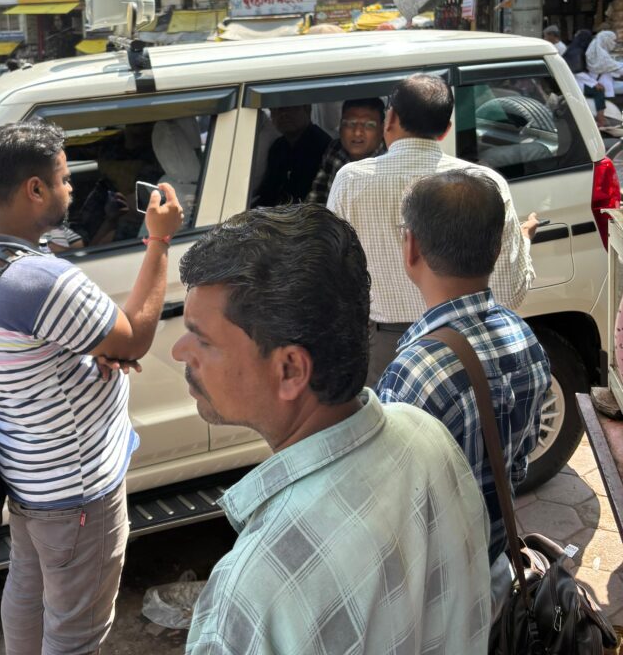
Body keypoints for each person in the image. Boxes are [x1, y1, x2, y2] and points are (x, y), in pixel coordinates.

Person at [173, 205, 491, 655]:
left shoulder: (251, 594)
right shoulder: (426, 437)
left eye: (201, 339)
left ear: (290, 369)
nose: (179, 351)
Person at [0, 122, 183, 655]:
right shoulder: (43, 280)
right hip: (76, 492)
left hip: (25, 472)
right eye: (63, 179)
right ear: (34, 189)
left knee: (27, 589)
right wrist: (159, 239)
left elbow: (30, 345)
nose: (71, 189)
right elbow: (136, 337)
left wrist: (96, 346)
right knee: (76, 632)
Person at [377, 172, 550, 580]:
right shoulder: (523, 336)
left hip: (436, 584)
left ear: (412, 248)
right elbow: (519, 463)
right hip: (495, 558)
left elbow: (390, 508)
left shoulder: (412, 373)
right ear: (496, 251)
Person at [328, 74, 538, 387]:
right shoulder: (486, 183)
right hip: (468, 343)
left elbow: (334, 275)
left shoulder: (350, 181)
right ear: (446, 130)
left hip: (385, 347)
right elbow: (509, 294)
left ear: (391, 119)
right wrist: (523, 241)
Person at [306, 97, 385, 203]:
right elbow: (317, 196)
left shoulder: (390, 160)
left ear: (382, 130)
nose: (357, 132)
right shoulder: (335, 149)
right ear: (340, 127)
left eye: (368, 125)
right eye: (350, 124)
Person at [253, 105, 330, 206]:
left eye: (289, 107)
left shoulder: (322, 146)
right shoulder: (278, 147)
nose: (283, 114)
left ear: (307, 109)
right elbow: (268, 190)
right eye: (276, 109)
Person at [585, 30, 620, 124]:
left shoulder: (596, 50)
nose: (614, 43)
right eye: (613, 40)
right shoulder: (601, 54)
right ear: (606, 40)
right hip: (601, 84)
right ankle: (601, 120)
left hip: (600, 81)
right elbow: (614, 67)